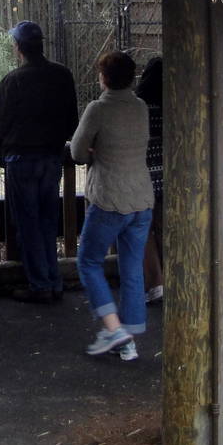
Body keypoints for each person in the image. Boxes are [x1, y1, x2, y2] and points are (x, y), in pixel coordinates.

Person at [0, 20, 79, 304]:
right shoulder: (62, 76)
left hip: (21, 158)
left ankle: (41, 284)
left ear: (18, 48)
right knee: (48, 220)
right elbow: (71, 121)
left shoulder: (13, 81)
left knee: (28, 222)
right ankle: (54, 281)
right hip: (51, 158)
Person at [70, 51, 152, 360]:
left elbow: (78, 152)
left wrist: (95, 152)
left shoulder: (97, 109)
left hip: (109, 199)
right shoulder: (140, 107)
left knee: (89, 262)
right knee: (132, 269)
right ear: (132, 77)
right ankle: (129, 340)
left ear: (103, 78)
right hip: (141, 200)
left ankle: (113, 327)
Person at [134, 55, 168, 304]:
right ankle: (174, 277)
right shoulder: (174, 106)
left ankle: (155, 283)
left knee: (144, 231)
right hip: (169, 178)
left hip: (143, 178)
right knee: (166, 228)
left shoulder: (138, 107)